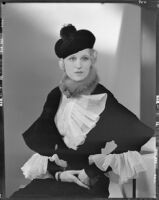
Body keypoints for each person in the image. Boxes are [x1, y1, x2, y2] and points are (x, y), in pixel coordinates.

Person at [10, 24, 154, 199]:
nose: (78, 65)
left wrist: (91, 170)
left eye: (84, 58)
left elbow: (136, 134)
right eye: (72, 59)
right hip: (59, 177)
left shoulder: (101, 95)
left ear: (91, 60)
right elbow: (45, 145)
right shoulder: (55, 95)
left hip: (89, 182)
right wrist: (59, 174)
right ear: (62, 64)